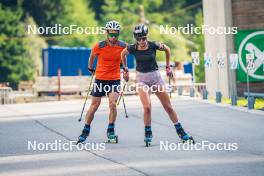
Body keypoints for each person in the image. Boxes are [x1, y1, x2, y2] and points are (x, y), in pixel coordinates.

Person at [121, 24, 194, 146]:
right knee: (147, 107)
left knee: (168, 107)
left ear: (147, 36)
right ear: (135, 38)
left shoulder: (154, 45)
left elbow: (168, 49)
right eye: (138, 39)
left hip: (155, 78)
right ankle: (148, 132)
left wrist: (168, 67)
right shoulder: (132, 48)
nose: (141, 41)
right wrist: (125, 69)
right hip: (141, 79)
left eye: (143, 38)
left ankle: (181, 132)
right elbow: (122, 54)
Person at [77, 20, 126, 144]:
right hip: (100, 79)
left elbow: (132, 51)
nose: (113, 37)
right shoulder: (99, 46)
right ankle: (85, 130)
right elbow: (92, 56)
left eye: (116, 34)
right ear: (106, 33)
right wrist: (90, 67)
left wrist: (125, 69)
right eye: (111, 34)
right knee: (95, 105)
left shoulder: (122, 45)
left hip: (114, 79)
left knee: (113, 104)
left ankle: (110, 131)